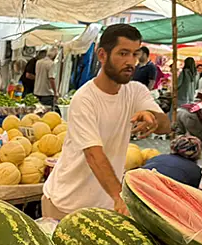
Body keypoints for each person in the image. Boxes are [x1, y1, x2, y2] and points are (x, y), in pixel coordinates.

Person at [42, 24, 170, 219]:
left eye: (135, 54)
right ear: (102, 55)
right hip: (67, 203)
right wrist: (119, 196)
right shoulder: (85, 99)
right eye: (123, 53)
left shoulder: (135, 91)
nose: (131, 62)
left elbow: (165, 126)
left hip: (105, 205)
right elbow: (94, 154)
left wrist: (153, 118)